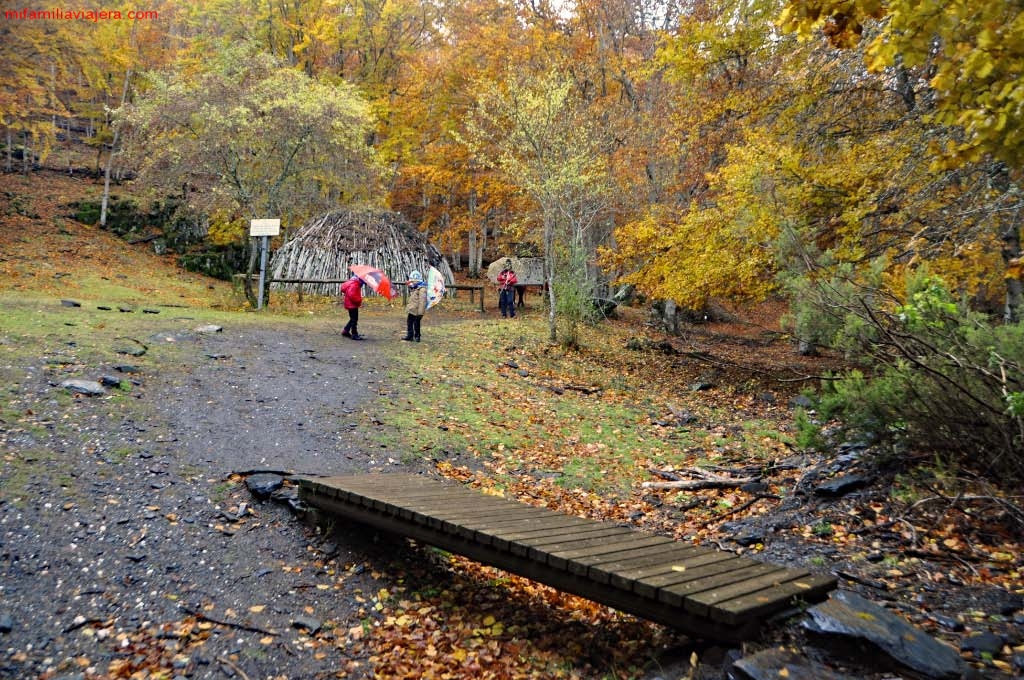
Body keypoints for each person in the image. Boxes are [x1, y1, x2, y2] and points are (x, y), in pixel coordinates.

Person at [403, 270, 427, 342]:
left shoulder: (422, 289)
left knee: (416, 323)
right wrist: (410, 285)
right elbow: (413, 295)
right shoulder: (416, 287)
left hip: (417, 310)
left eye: (413, 281)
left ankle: (417, 336)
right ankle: (410, 335)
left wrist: (420, 313)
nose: (412, 283)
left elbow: (422, 302)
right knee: (410, 322)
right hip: (412, 309)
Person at [340, 274, 365, 340]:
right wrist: (359, 300)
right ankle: (354, 334)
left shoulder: (353, 283)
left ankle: (345, 331)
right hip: (352, 305)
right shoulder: (354, 284)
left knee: (353, 319)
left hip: (350, 304)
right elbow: (352, 295)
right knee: (354, 320)